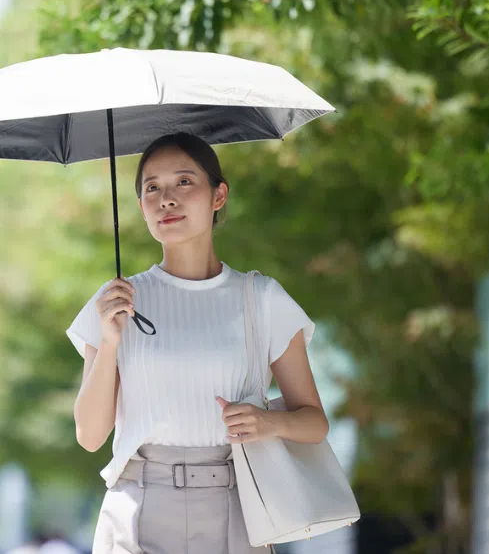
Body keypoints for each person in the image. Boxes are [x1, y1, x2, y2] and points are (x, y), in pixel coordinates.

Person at [67, 133, 329, 554]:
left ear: (218, 195)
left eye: (184, 181)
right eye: (152, 188)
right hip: (137, 510)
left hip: (236, 509)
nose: (166, 199)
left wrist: (269, 423)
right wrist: (110, 342)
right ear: (141, 207)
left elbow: (314, 423)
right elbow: (90, 435)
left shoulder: (262, 298)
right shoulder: (116, 301)